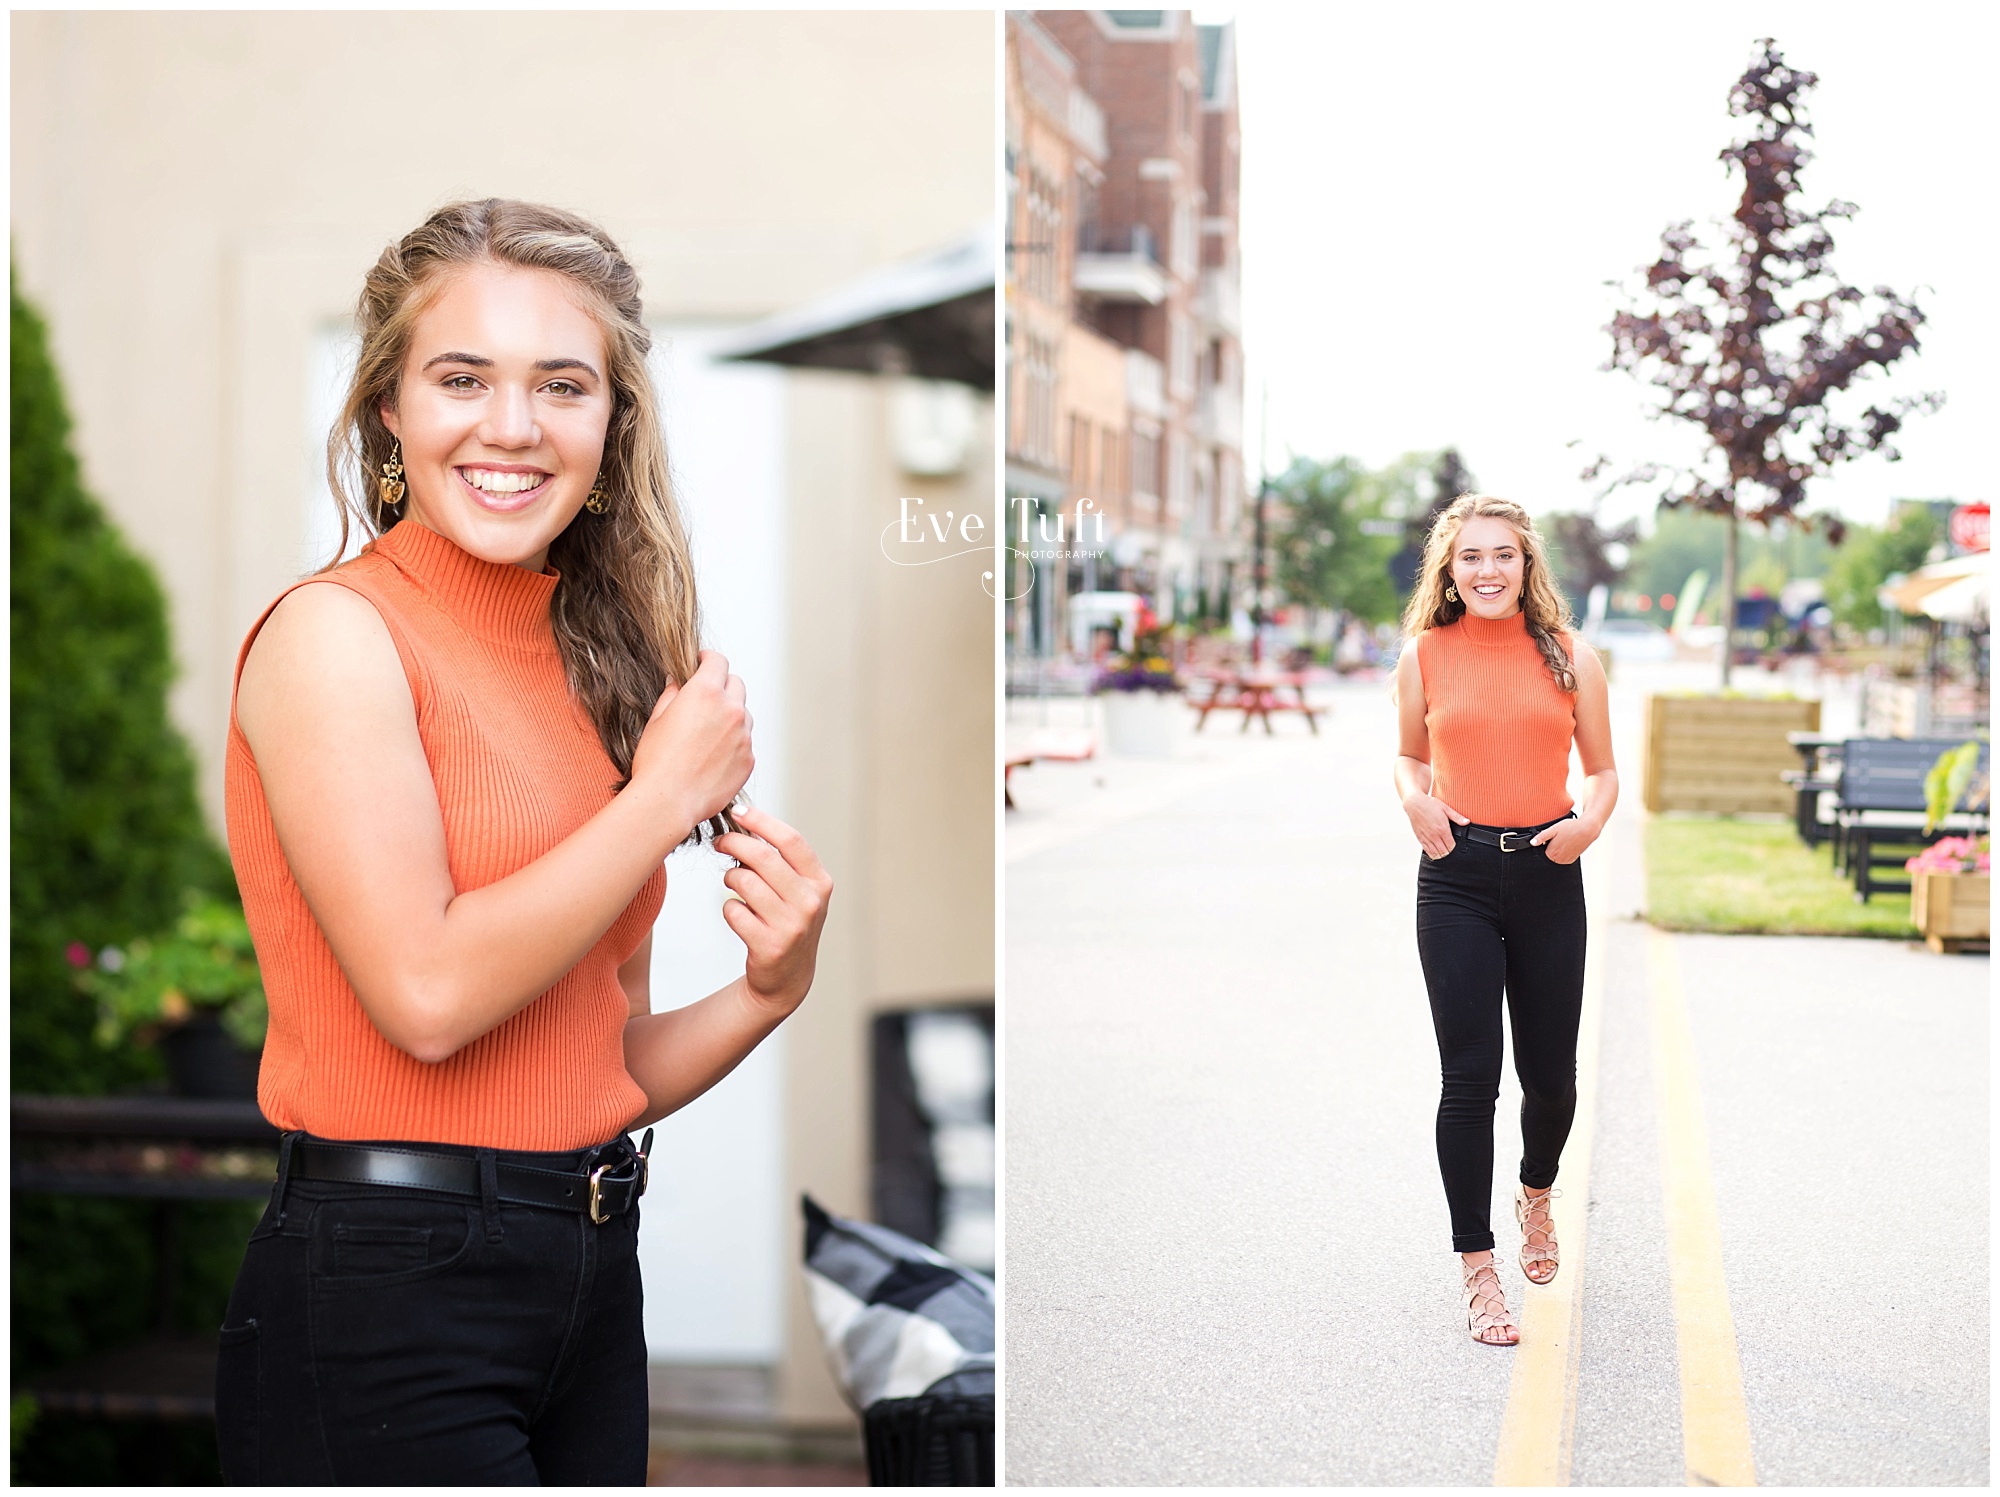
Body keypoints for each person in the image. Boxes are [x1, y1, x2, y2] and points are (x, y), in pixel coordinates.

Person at [215, 199, 833, 1482]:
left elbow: (601, 1069)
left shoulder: (599, 672)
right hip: (383, 1286)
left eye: (562, 384)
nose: (511, 427)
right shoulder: (335, 638)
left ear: (612, 426)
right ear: (389, 408)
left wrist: (770, 992)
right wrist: (656, 803)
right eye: (461, 379)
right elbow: (429, 998)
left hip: (589, 1266)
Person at [1392, 494, 1616, 1347]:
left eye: (1504, 556)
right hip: (1454, 875)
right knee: (1468, 1079)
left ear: (1528, 566)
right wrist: (1414, 800)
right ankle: (1478, 1269)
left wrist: (1585, 828)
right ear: (1448, 571)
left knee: (1550, 1077)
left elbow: (1601, 773)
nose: (1487, 570)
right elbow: (1412, 755)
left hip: (1549, 872)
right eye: (1471, 557)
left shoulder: (1570, 658)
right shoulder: (1426, 655)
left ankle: (1535, 1192)